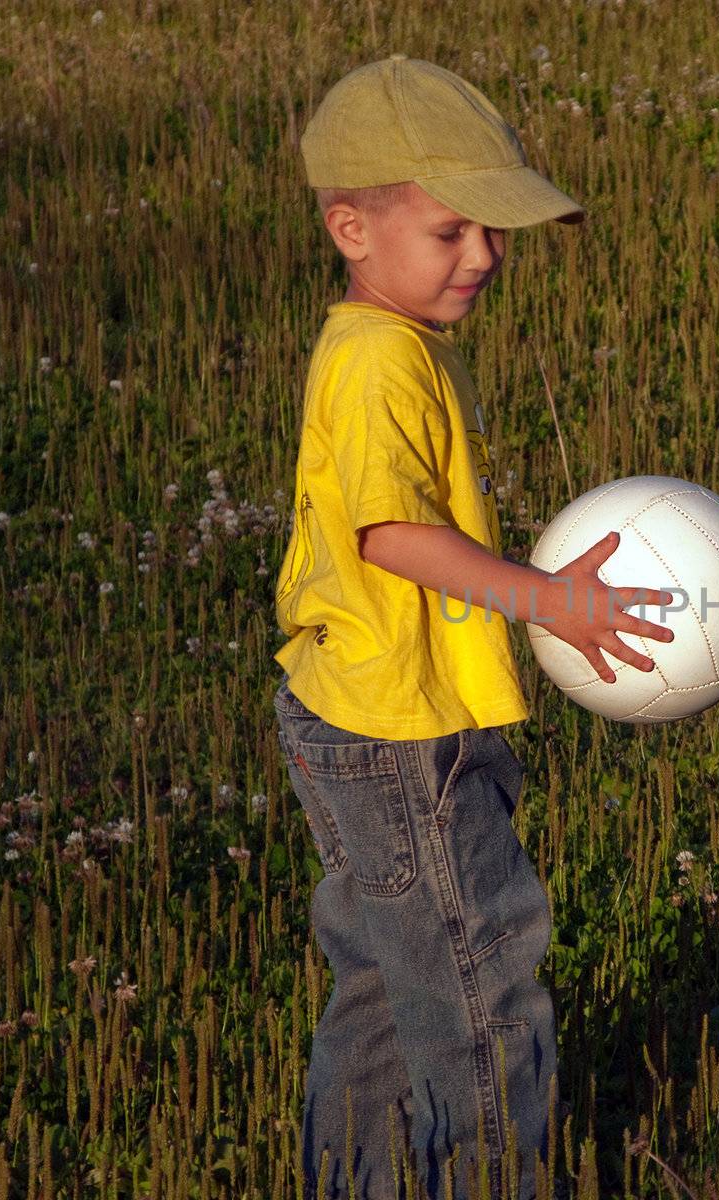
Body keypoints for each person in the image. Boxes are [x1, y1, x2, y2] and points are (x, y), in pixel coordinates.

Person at [270, 55, 675, 1200]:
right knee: (477, 983)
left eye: (494, 233)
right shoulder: (376, 362)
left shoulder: (386, 347)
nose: (485, 257)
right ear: (351, 226)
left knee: (387, 990)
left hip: (355, 714)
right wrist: (546, 599)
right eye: (452, 231)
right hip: (405, 740)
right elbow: (390, 534)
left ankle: (357, 1183)